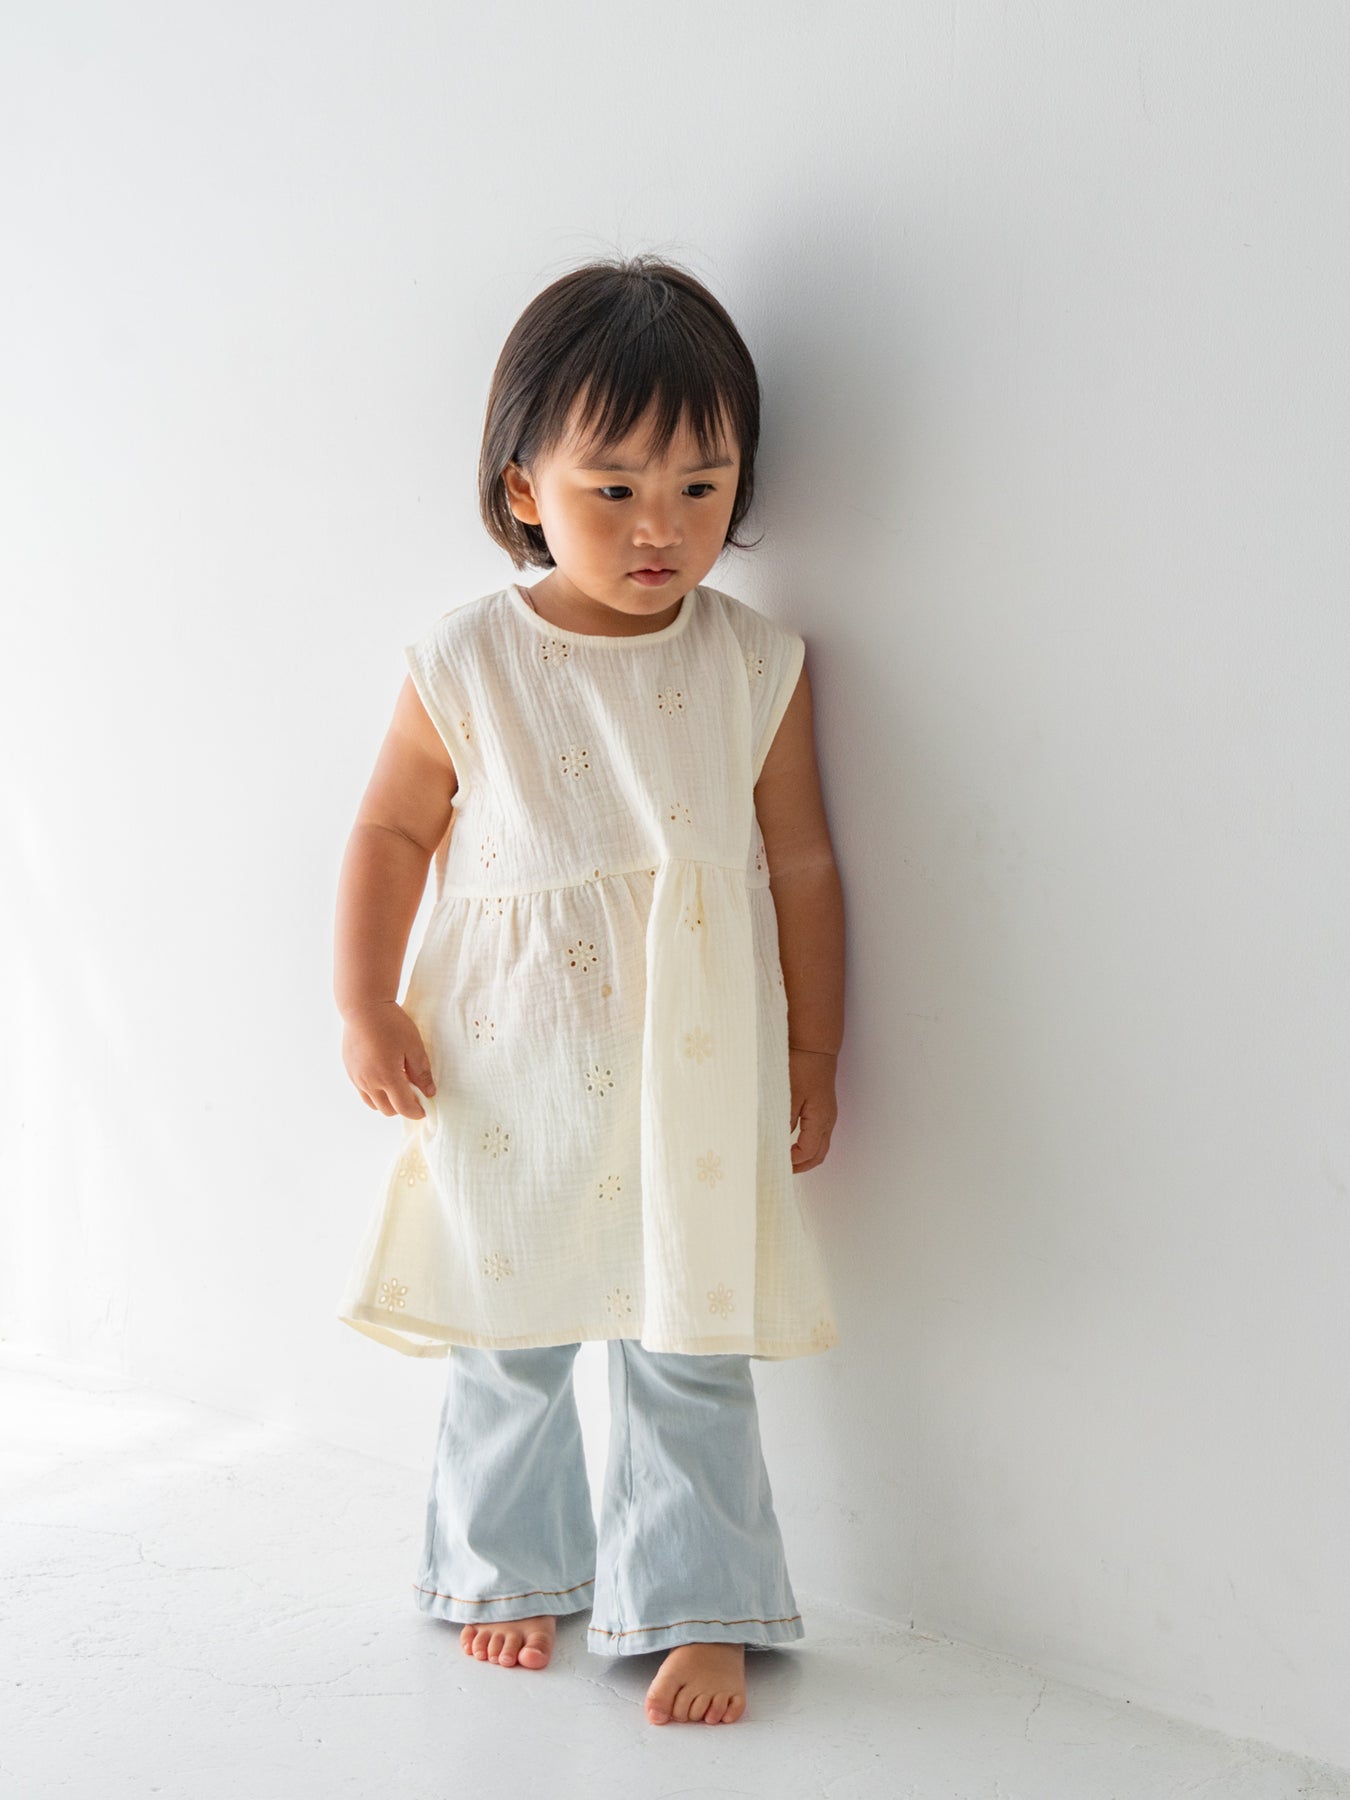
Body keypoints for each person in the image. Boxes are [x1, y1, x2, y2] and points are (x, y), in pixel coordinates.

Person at [332, 253, 845, 1727]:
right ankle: (511, 1569)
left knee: (692, 1342)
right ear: (523, 488)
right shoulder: (467, 658)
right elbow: (390, 832)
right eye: (612, 487)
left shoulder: (754, 662)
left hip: (695, 1068)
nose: (658, 525)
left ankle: (701, 1604)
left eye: (700, 485)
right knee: (512, 1334)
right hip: (514, 1066)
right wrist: (366, 1001)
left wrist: (815, 1050)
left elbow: (801, 864)